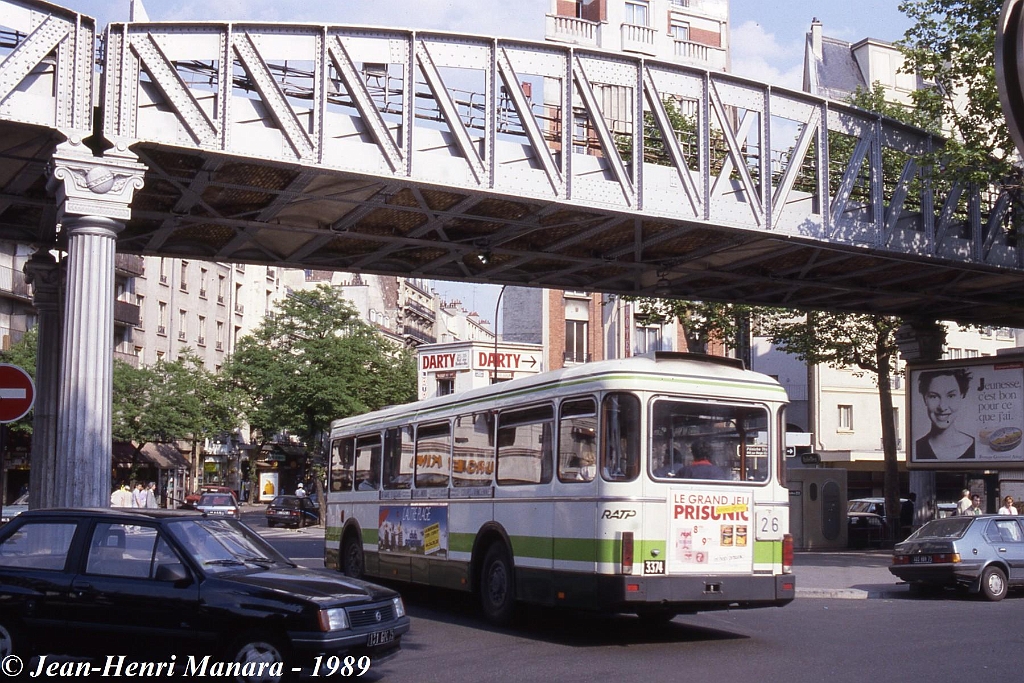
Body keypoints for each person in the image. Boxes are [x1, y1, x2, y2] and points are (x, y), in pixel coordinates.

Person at [914, 369, 975, 460]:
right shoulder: (916, 449)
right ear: (924, 398)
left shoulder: (977, 447)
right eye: (933, 396)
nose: (942, 407)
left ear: (962, 396)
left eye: (951, 396)